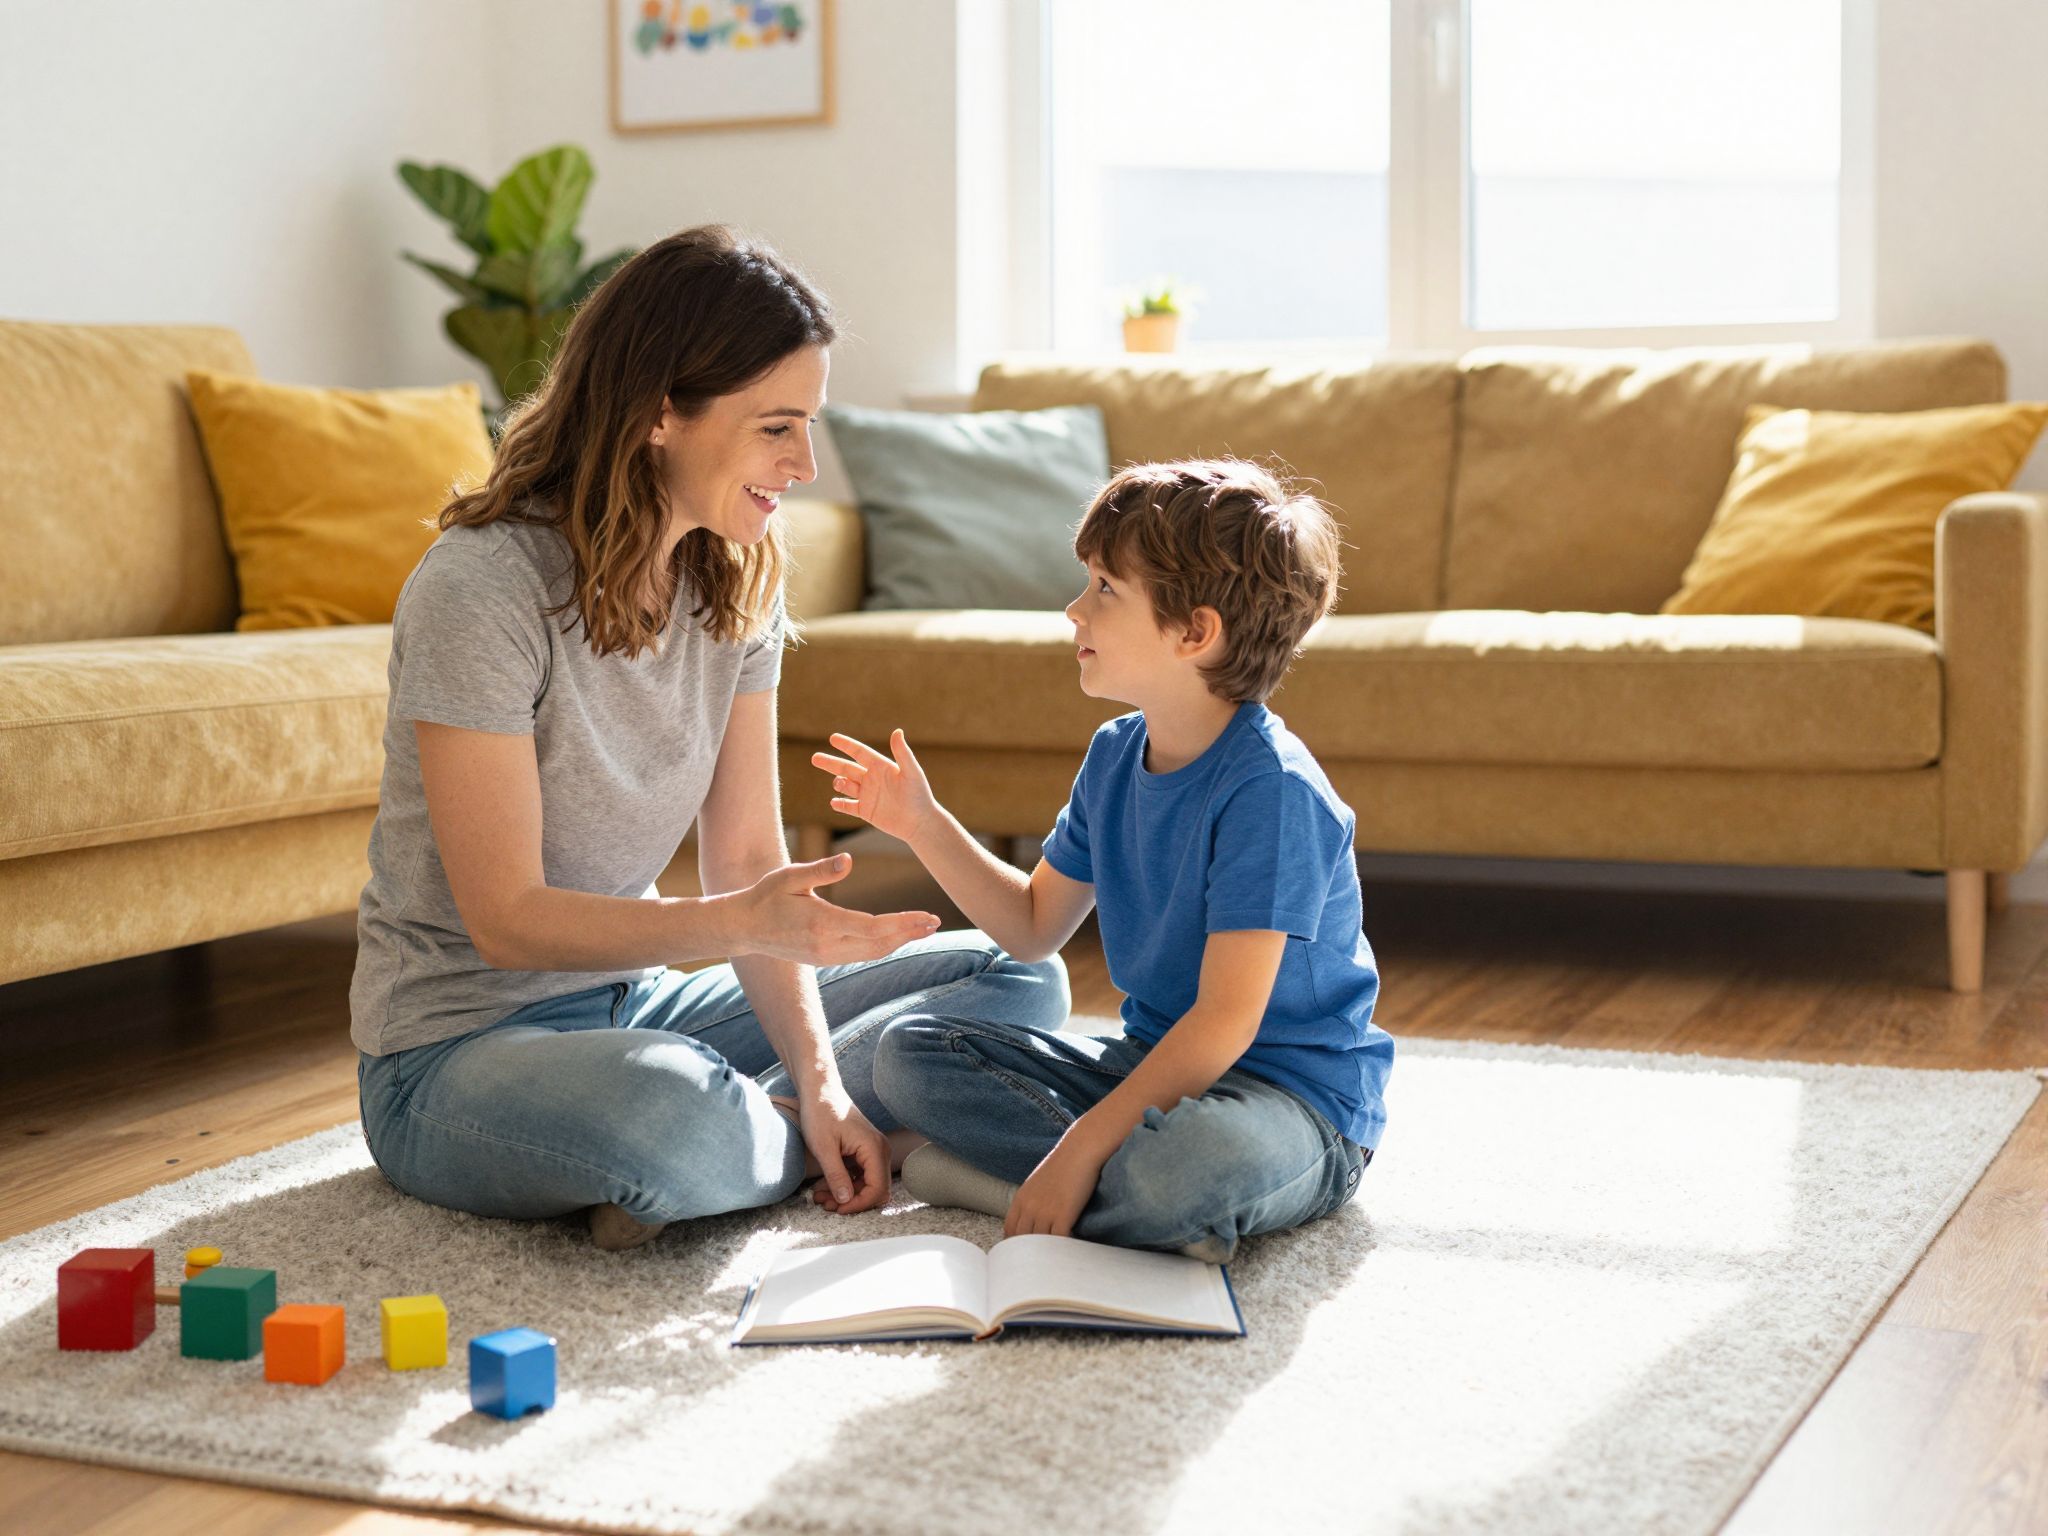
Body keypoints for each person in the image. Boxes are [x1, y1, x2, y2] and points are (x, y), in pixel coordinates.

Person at [349, 225, 1069, 1250]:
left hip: (638, 1002)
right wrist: (744, 927)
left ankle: (755, 1135)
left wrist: (818, 1077)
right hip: (455, 1051)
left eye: (808, 425)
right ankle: (741, 1139)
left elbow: (743, 857)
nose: (806, 465)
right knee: (667, 1118)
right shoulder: (482, 588)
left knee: (1016, 979)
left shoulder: (735, 577)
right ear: (657, 412)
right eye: (777, 426)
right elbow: (505, 920)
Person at [813, 459, 1393, 1263]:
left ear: (1195, 632)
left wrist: (1083, 1146)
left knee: (1188, 1172)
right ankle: (1125, 1208)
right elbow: (1031, 927)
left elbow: (1225, 1026)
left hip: (1295, 1105)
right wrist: (922, 822)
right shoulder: (1116, 754)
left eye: (1104, 590)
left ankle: (997, 1181)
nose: (1073, 609)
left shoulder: (1274, 794)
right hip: (1149, 1071)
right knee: (908, 1053)